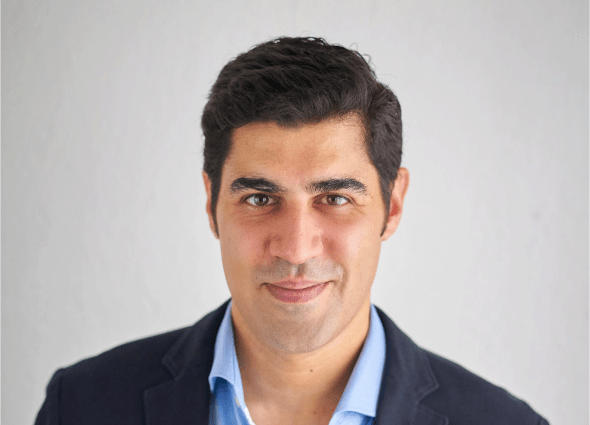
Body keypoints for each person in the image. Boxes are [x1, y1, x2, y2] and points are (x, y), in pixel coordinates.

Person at [35, 37, 548, 425]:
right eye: (260, 199)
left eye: (335, 198)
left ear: (391, 207)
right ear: (212, 206)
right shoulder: (81, 405)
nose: (297, 247)